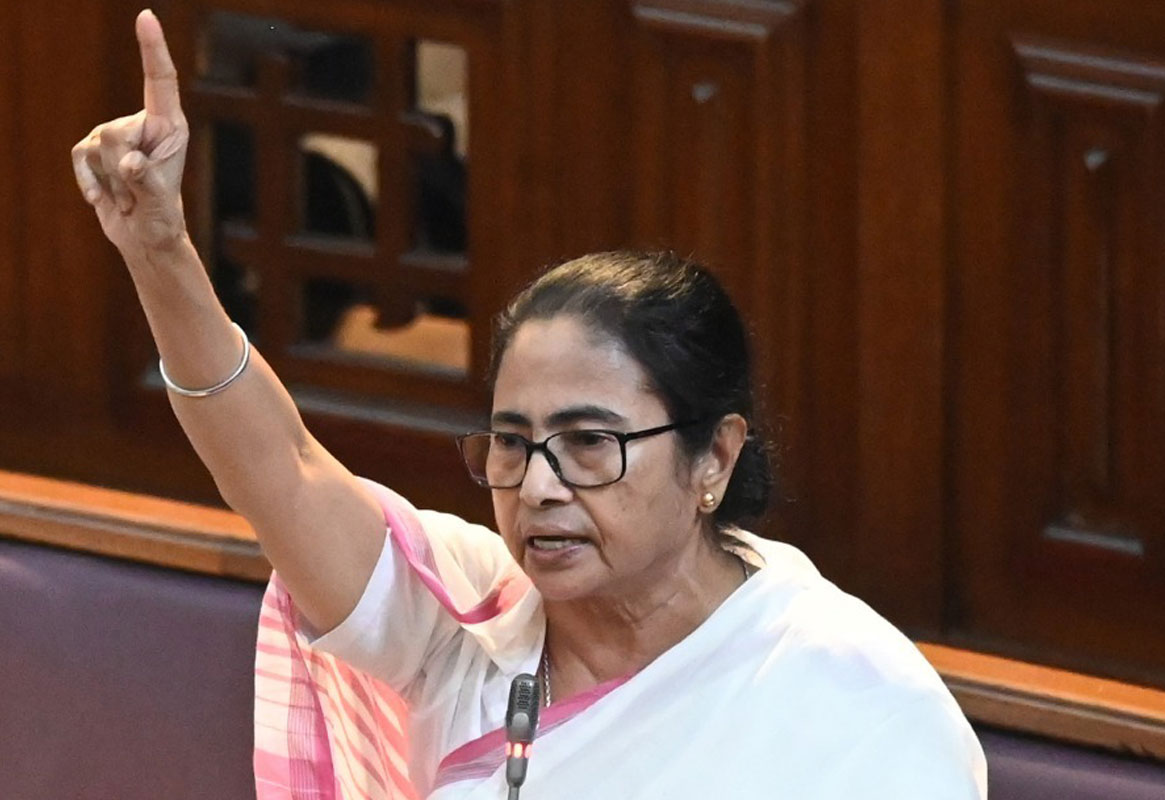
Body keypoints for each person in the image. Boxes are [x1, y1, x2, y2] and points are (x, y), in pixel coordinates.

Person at [72, 11, 987, 799]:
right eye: (513, 444)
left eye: (589, 443)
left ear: (714, 456)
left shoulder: (855, 704)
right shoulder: (469, 620)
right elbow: (285, 468)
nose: (540, 487)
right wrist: (159, 250)